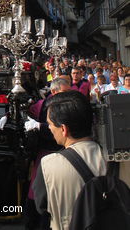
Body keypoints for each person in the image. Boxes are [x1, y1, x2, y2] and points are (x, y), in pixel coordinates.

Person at [33, 91, 106, 230]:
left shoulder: (48, 165)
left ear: (63, 129)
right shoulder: (114, 158)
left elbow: (41, 206)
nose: (49, 128)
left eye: (50, 124)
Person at [24, 78, 71, 230]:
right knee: (38, 192)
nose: (65, 96)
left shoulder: (66, 105)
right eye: (63, 93)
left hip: (64, 152)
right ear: (53, 92)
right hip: (45, 153)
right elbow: (26, 111)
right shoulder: (42, 105)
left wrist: (39, 126)